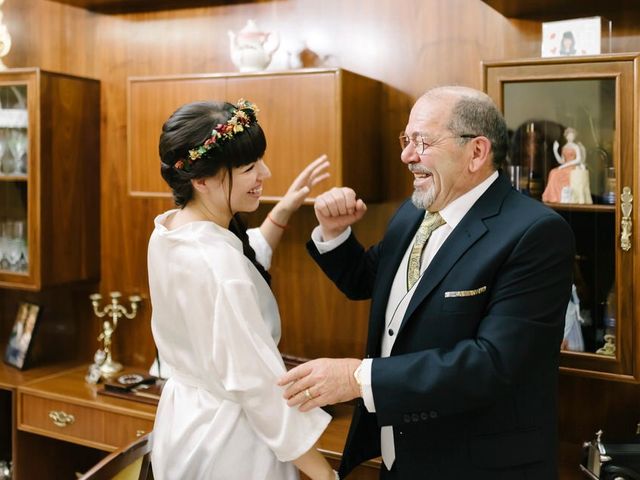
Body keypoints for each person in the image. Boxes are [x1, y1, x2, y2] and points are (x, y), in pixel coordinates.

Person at [278, 86, 575, 479]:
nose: (407, 155)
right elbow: (368, 281)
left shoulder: (536, 233)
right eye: (407, 139)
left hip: (476, 467)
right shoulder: (414, 211)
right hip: (398, 458)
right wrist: (334, 235)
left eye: (422, 141)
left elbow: (494, 363)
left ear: (476, 152)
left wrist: (357, 377)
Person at [148, 99, 338, 480]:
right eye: (250, 167)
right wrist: (325, 475)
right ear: (202, 180)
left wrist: (282, 211)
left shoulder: (169, 229)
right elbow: (263, 392)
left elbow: (237, 269)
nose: (265, 172)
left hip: (183, 426)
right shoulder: (220, 265)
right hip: (232, 445)